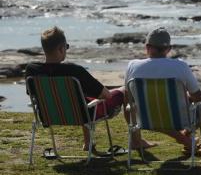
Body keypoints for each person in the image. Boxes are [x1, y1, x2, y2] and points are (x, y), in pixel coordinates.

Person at [25, 26, 155, 153]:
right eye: (66, 47)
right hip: (82, 114)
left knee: (80, 99)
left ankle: (88, 143)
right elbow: (106, 95)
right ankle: (136, 141)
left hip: (49, 115)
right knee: (125, 90)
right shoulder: (74, 71)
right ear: (61, 48)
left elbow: (31, 94)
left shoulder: (32, 70)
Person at [125, 27, 201, 155]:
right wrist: (186, 97)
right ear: (168, 49)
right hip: (180, 118)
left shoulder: (132, 66)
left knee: (132, 107)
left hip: (145, 119)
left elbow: (128, 98)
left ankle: (182, 138)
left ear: (147, 47)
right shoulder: (180, 66)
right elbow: (198, 97)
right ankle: (186, 135)